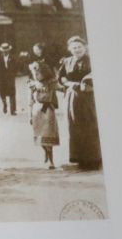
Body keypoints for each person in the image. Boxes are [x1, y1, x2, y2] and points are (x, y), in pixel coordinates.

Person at [60, 35, 101, 169]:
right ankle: (80, 158)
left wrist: (87, 82)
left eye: (79, 47)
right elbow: (61, 78)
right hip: (73, 98)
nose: (77, 50)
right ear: (70, 49)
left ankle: (94, 159)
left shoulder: (93, 60)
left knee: (90, 125)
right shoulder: (67, 61)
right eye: (74, 48)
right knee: (75, 126)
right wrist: (69, 83)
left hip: (89, 98)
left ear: (85, 47)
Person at [28, 59, 60, 169]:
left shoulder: (51, 83)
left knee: (49, 135)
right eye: (34, 73)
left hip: (48, 111)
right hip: (36, 111)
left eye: (38, 73)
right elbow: (30, 102)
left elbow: (60, 87)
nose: (36, 75)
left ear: (44, 73)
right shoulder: (32, 84)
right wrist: (29, 116)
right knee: (40, 136)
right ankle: (45, 151)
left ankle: (51, 161)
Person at [0, 42, 19, 115]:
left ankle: (13, 110)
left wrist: (13, 73)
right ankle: (4, 103)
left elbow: (16, 67)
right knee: (1, 92)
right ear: (2, 51)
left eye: (6, 51)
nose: (5, 52)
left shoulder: (13, 58)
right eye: (4, 51)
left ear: (9, 50)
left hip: (10, 78)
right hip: (1, 78)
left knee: (12, 93)